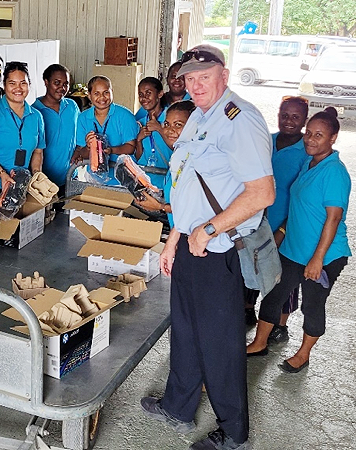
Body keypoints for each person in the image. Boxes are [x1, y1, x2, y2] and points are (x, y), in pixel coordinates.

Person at [140, 45, 275, 450]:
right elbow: (189, 186)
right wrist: (176, 238)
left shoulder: (240, 120)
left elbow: (262, 193)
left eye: (204, 77)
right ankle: (178, 406)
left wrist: (208, 230)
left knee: (219, 344)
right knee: (185, 331)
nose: (195, 85)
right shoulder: (200, 114)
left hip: (219, 252)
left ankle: (234, 434)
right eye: (190, 78)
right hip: (190, 246)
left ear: (225, 75)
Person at [246, 107, 351, 373]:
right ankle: (259, 343)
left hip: (325, 255)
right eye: (310, 134)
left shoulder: (335, 172)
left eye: (319, 135)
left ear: (333, 138)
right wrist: (282, 232)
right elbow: (300, 207)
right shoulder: (309, 162)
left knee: (312, 305)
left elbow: (333, 219)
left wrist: (317, 259)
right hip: (294, 247)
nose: (311, 140)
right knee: (273, 295)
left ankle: (303, 354)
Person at [244, 96, 309, 336]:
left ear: (305, 119)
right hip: (256, 219)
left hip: (288, 223)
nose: (289, 121)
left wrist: (283, 228)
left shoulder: (307, 150)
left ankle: (280, 324)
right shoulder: (265, 141)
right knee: (251, 263)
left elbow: (305, 197)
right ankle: (248, 308)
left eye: (295, 117)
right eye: (285, 115)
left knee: (284, 275)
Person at [0, 61, 45, 198]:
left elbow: (38, 151)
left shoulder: (36, 116)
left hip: (21, 186)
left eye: (23, 83)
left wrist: (37, 175)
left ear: (29, 85)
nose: (18, 88)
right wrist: (1, 173)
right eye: (12, 83)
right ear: (4, 85)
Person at [134, 100, 196, 218]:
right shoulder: (179, 158)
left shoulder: (196, 162)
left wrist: (160, 207)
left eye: (178, 125)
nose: (170, 130)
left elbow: (196, 208)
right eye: (167, 124)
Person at [71, 76, 137, 185]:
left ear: (112, 92)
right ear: (89, 95)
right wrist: (88, 147)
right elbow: (81, 152)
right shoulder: (83, 117)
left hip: (123, 178)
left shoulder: (125, 115)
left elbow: (130, 147)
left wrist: (111, 150)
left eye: (106, 92)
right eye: (96, 93)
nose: (102, 97)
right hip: (95, 178)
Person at [32, 64, 79, 192]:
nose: (62, 88)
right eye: (57, 83)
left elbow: (80, 133)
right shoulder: (34, 112)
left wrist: (80, 149)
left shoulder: (72, 106)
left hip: (71, 177)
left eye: (66, 84)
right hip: (45, 183)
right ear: (46, 82)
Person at [134, 77, 169, 189]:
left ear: (160, 94)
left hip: (168, 182)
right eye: (141, 94)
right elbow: (139, 158)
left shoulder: (171, 118)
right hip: (146, 183)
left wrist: (159, 129)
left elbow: (181, 148)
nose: (144, 98)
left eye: (148, 93)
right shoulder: (141, 122)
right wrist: (139, 140)